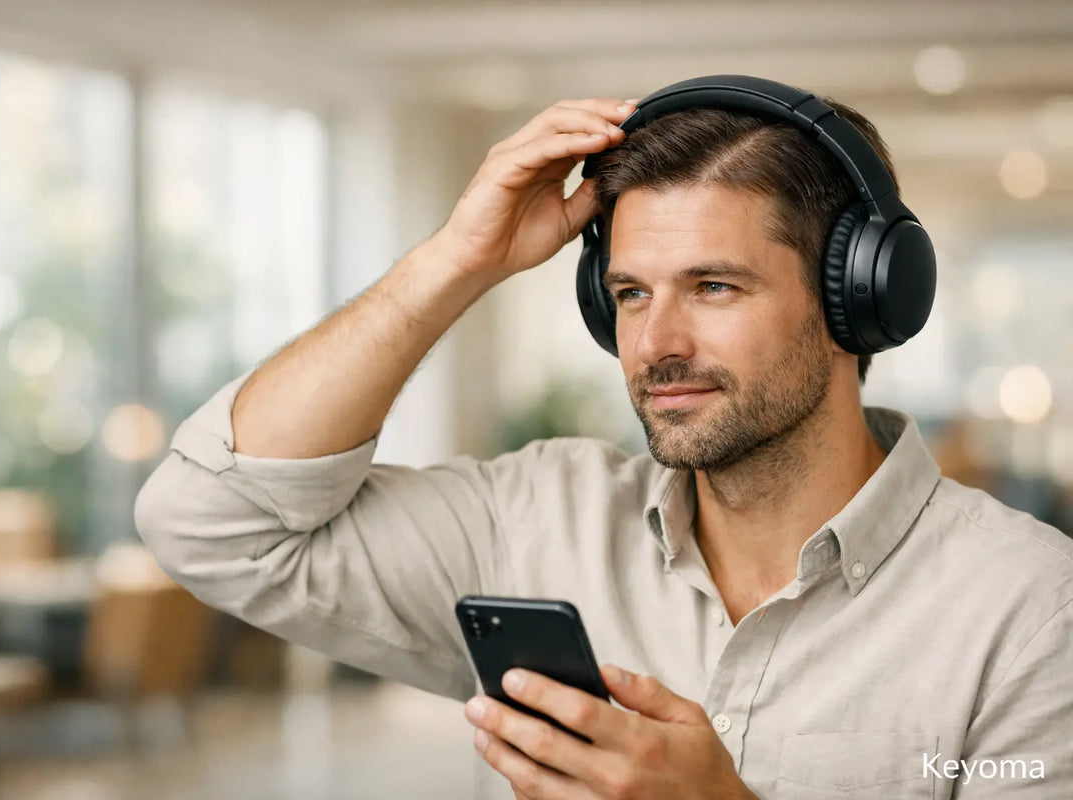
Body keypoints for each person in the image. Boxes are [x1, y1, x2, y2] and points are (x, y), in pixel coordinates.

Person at [134, 81, 1073, 800]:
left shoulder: (1029, 608)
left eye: (714, 286)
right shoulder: (532, 518)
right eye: (629, 293)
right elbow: (208, 518)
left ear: (857, 300)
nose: (656, 343)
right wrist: (456, 261)